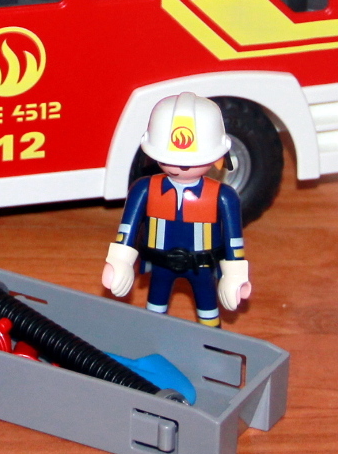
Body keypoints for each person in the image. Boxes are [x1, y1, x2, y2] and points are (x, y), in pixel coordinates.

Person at [102, 92, 251, 327]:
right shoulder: (144, 189)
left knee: (209, 312)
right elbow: (127, 230)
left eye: (191, 161)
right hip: (160, 264)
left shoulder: (223, 196)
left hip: (203, 267)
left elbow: (234, 241)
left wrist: (234, 275)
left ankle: (210, 342)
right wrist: (120, 262)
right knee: (155, 312)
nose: (179, 166)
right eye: (168, 157)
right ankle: (153, 339)